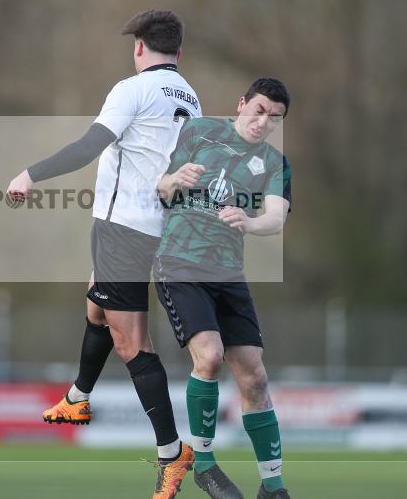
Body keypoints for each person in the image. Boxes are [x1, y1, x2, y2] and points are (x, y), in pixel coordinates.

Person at [7, 10, 202, 498]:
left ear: (139, 48)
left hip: (124, 228)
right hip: (158, 227)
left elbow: (91, 145)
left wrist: (30, 174)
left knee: (133, 343)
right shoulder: (190, 97)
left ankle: (170, 452)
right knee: (96, 304)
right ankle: (78, 396)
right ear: (178, 51)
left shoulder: (130, 89)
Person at [153, 78, 293, 499]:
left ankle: (273, 486)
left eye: (275, 117)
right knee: (210, 356)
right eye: (260, 110)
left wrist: (249, 222)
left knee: (254, 376)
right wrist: (175, 178)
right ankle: (205, 464)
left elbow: (276, 217)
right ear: (242, 103)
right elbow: (160, 189)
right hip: (179, 263)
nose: (264, 122)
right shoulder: (198, 132)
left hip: (228, 274)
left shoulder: (275, 163)